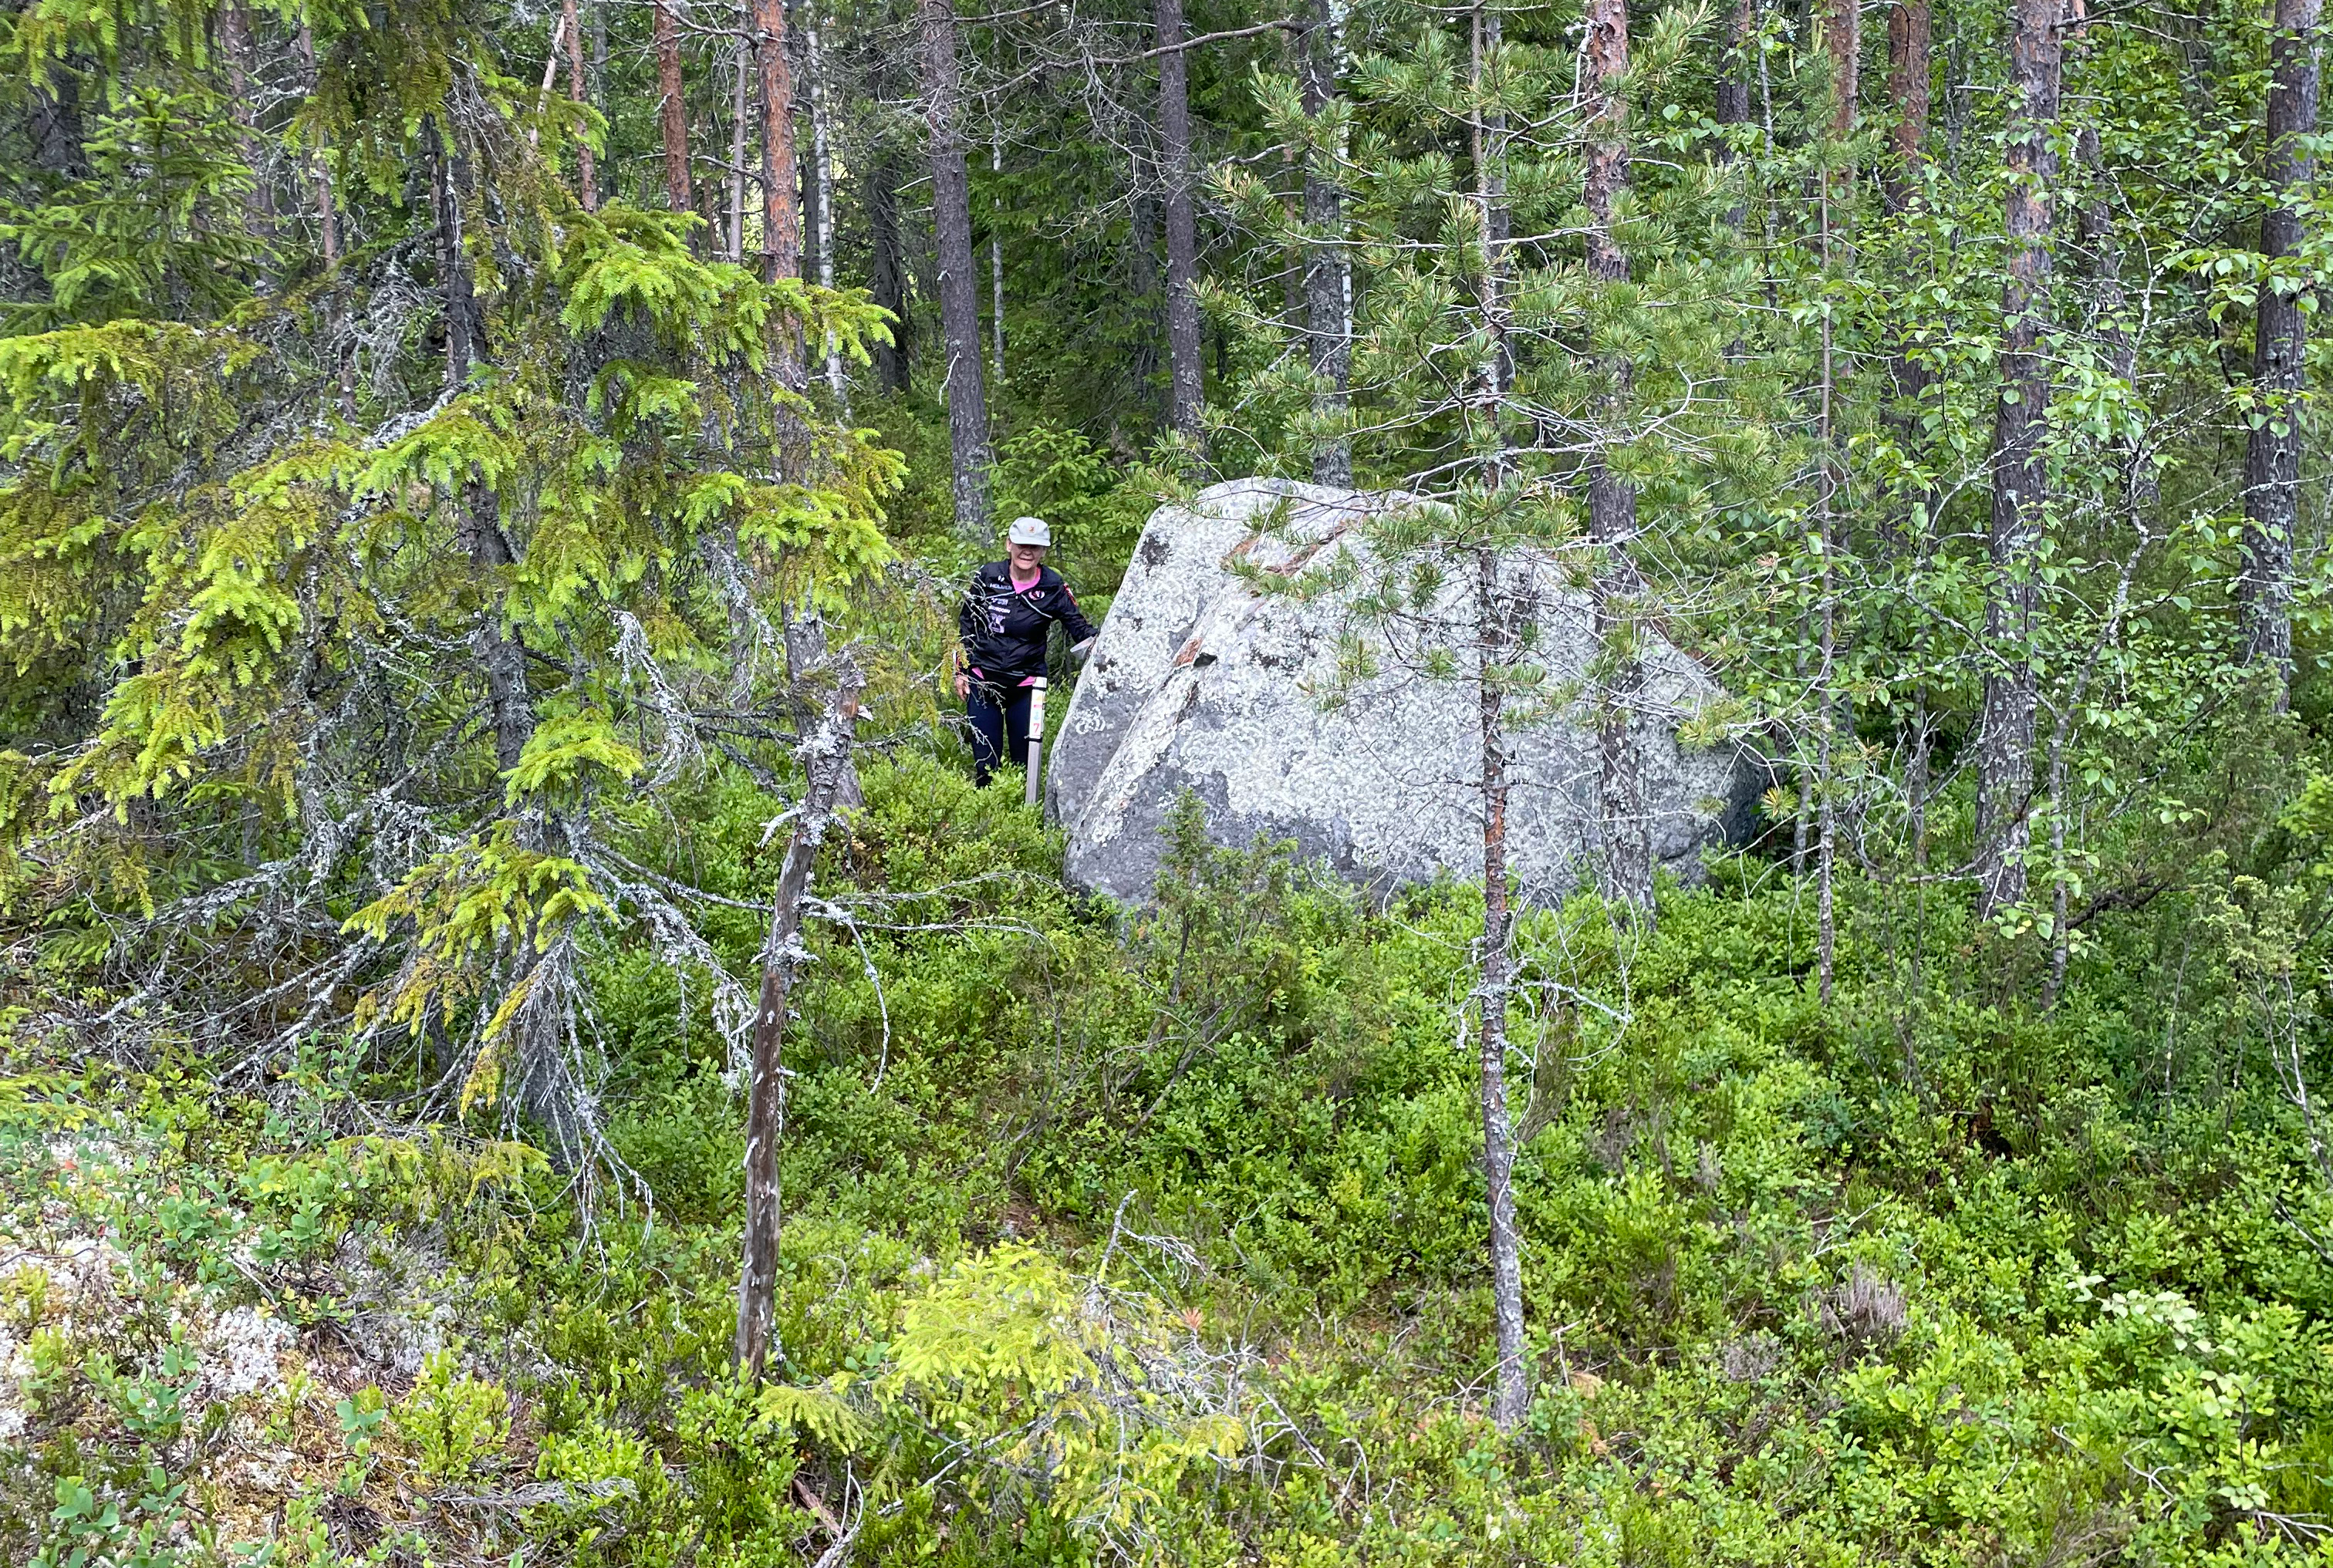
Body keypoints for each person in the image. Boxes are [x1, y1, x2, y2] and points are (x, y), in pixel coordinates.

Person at [957, 515, 1098, 787]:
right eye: (1022, 544)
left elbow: (1077, 626)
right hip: (984, 679)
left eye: (1035, 546)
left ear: (1043, 551)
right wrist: (961, 671)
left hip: (1028, 683)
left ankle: (1024, 819)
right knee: (986, 763)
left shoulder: (1052, 585)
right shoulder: (988, 576)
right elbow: (966, 624)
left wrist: (1100, 643)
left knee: (1026, 764)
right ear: (1009, 545)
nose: (1027, 551)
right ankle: (986, 819)